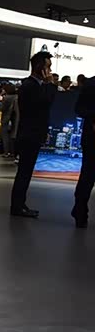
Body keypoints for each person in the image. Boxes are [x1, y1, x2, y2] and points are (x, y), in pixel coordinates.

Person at [10, 51, 56, 219]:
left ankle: (20, 204)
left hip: (32, 134)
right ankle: (17, 206)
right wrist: (50, 85)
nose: (49, 71)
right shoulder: (30, 86)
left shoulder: (34, 86)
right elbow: (45, 103)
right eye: (47, 67)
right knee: (24, 172)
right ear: (39, 67)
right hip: (29, 135)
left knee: (25, 172)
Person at [72, 75, 95, 228]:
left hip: (90, 136)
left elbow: (79, 109)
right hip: (92, 138)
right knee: (87, 176)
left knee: (87, 175)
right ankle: (80, 210)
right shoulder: (91, 84)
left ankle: (79, 211)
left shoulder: (90, 83)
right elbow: (80, 109)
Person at [0, 82, 19, 159]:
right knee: (13, 136)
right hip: (15, 119)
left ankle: (6, 152)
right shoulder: (17, 97)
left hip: (6, 119)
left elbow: (2, 108)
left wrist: (1, 98)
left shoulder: (6, 98)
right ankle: (13, 152)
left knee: (5, 136)